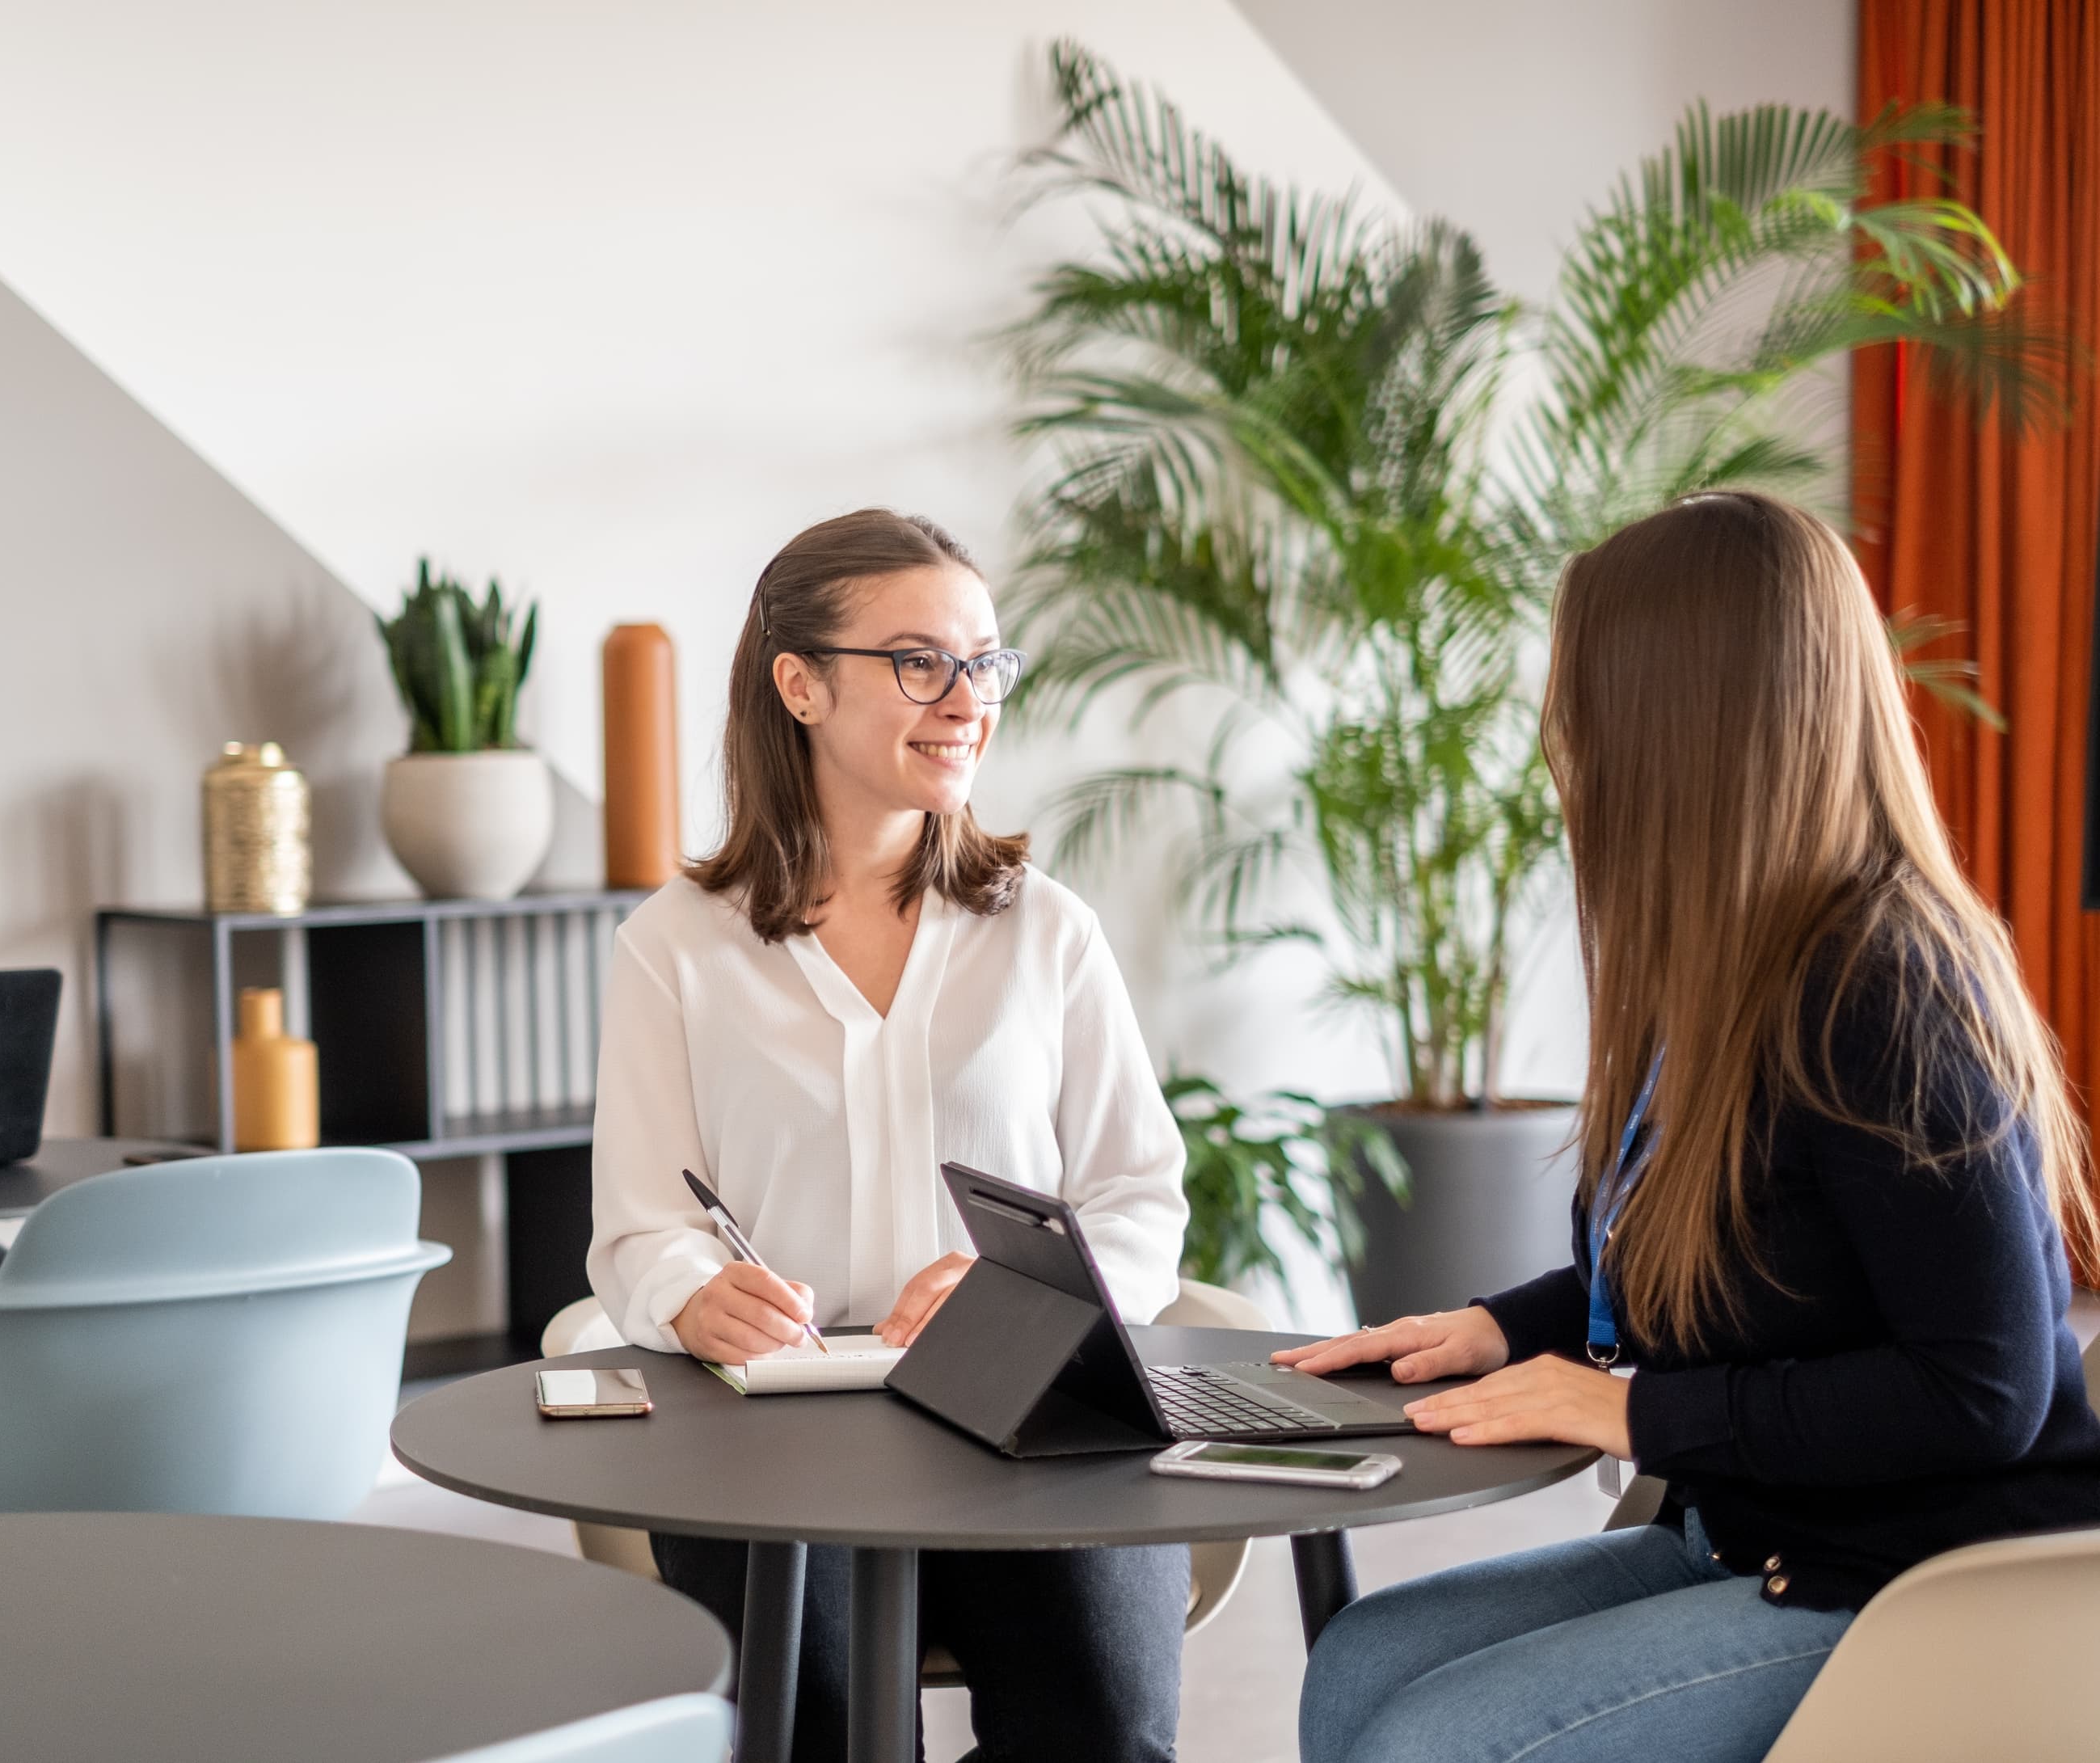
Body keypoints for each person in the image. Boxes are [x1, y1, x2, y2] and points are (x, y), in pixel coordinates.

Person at [1282, 491, 2100, 1763]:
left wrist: (1637, 1416)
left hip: (1915, 1581)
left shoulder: (1887, 984)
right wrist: (1513, 1323)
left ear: (1683, 726)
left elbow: (1984, 1388)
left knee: (1436, 1741)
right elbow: (1745, 1247)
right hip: (1755, 1529)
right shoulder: (1727, 964)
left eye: (1586, 699)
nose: (1565, 741)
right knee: (1358, 1668)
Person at [588, 509, 1192, 1763]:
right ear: (798, 684)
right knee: (809, 1733)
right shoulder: (674, 948)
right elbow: (642, 1225)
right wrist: (697, 1299)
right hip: (771, 1435)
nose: (964, 699)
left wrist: (1027, 1298)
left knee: (1109, 1730)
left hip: (1022, 1415)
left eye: (983, 664)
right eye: (920, 662)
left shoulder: (1048, 933)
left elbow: (1142, 1198)